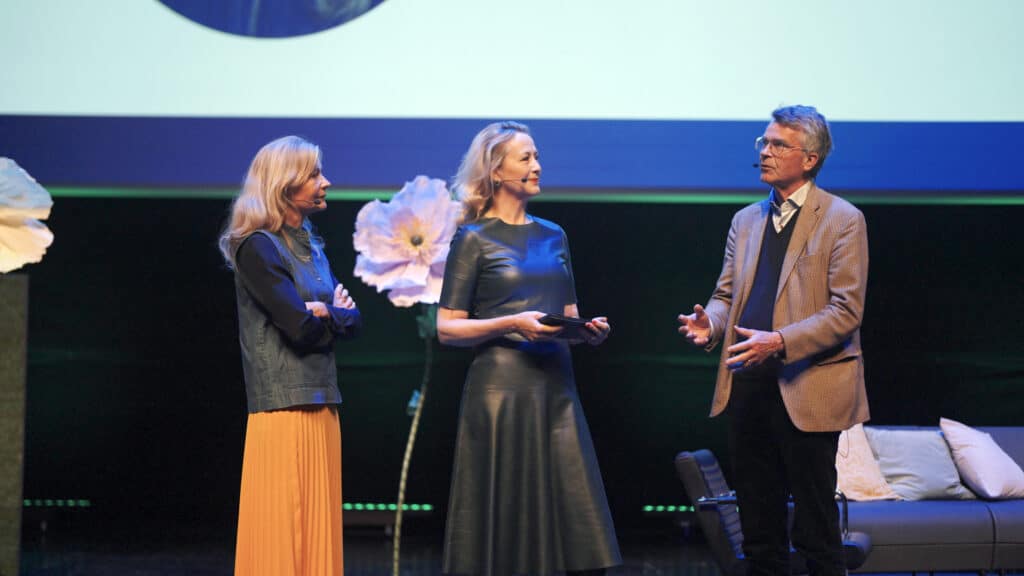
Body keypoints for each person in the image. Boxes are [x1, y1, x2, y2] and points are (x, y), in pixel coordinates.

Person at [677, 105, 869, 576]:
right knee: (759, 534)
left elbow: (846, 311)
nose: (765, 152)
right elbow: (726, 296)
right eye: (763, 142)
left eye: (778, 144)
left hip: (808, 390)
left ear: (809, 158)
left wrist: (779, 341)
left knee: (817, 534)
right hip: (748, 387)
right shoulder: (745, 221)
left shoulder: (842, 219)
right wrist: (712, 325)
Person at [437, 121, 621, 576]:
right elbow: (446, 328)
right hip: (500, 392)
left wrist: (586, 330)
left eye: (537, 156)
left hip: (555, 389)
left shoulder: (554, 234)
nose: (537, 166)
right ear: (497, 172)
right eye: (526, 158)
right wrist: (512, 323)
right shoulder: (473, 237)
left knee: (567, 516)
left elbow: (567, 311)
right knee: (502, 523)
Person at [217, 135, 361, 576]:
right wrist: (330, 314)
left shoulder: (310, 244)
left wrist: (328, 313)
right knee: (285, 528)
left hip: (321, 402)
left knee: (317, 530)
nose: (326, 182)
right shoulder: (257, 246)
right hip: (283, 406)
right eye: (314, 174)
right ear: (284, 184)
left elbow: (354, 321)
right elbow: (299, 328)